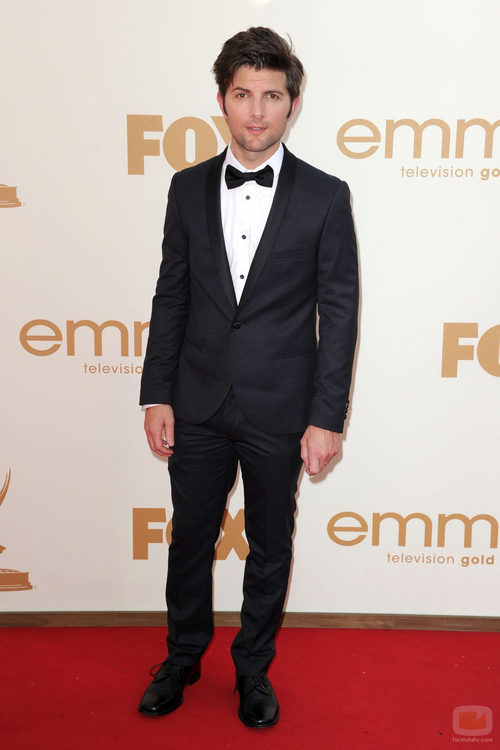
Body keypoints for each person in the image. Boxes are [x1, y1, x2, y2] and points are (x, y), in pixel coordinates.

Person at [138, 26, 359, 728]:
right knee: (190, 540)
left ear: (292, 103)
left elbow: (339, 314)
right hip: (196, 400)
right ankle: (181, 657)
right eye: (243, 95)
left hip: (281, 406)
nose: (257, 111)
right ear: (221, 101)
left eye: (271, 96)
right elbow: (171, 296)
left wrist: (326, 417)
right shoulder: (186, 188)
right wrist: (156, 392)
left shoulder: (326, 196)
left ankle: (253, 670)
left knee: (270, 545)